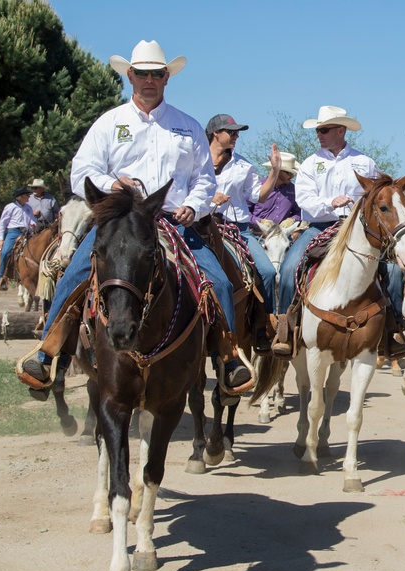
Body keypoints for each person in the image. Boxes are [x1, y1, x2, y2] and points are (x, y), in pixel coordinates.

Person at [18, 39, 250, 394]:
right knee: (77, 272)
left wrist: (195, 204)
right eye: (142, 73)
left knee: (217, 282)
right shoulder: (109, 123)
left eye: (157, 74)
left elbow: (205, 178)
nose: (149, 80)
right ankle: (48, 352)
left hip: (174, 222)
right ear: (130, 75)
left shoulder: (187, 127)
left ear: (166, 78)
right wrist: (113, 183)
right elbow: (83, 169)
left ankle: (228, 356)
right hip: (121, 221)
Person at [272, 105, 381, 358]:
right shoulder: (311, 163)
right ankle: (285, 331)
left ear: (341, 130)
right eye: (318, 130)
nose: (319, 134)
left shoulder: (364, 162)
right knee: (288, 269)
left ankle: (393, 328)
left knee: (392, 270)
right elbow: (304, 200)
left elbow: (376, 198)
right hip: (318, 227)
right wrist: (329, 203)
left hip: (356, 230)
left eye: (324, 129)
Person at [206, 113, 282, 351]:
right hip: (202, 227)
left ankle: (263, 326)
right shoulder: (194, 160)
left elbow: (258, 196)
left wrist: (275, 172)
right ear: (216, 133)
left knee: (268, 272)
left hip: (237, 229)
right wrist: (210, 199)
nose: (236, 136)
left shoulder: (244, 165)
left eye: (238, 133)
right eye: (232, 132)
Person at [0, 185, 38, 290]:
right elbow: (2, 224)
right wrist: (1, 239)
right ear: (21, 197)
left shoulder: (28, 208)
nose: (29, 197)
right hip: (13, 232)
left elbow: (32, 220)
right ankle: (0, 277)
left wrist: (33, 224)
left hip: (27, 232)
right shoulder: (10, 207)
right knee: (5, 252)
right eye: (27, 195)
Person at [249, 151, 302, 229]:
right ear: (278, 171)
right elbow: (244, 212)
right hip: (256, 233)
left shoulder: (293, 190)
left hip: (283, 234)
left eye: (292, 174)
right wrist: (260, 221)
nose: (291, 176)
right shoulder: (257, 186)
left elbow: (299, 212)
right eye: (288, 173)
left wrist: (293, 219)